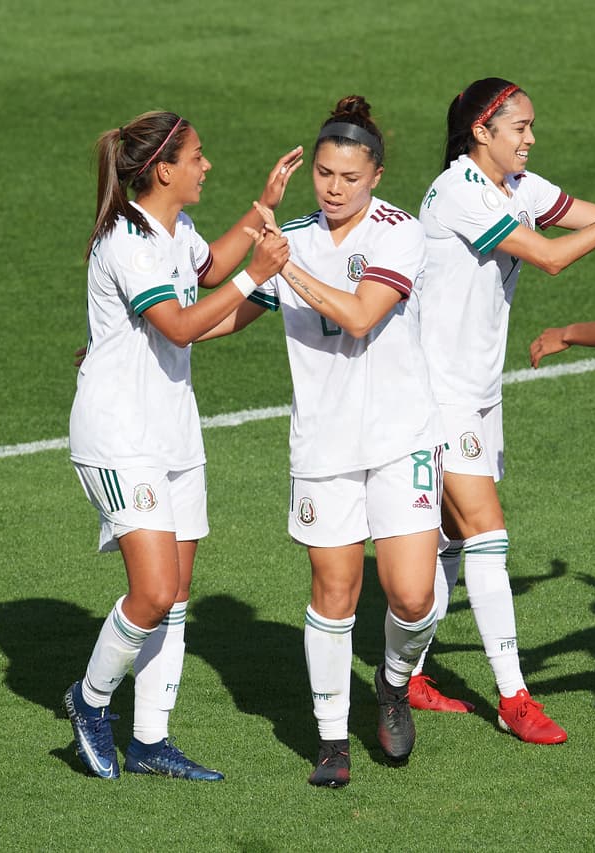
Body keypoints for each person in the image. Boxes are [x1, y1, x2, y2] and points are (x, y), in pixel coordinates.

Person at [410, 77, 595, 743]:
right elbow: (550, 256)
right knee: (485, 530)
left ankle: (408, 672)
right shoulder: (460, 191)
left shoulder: (521, 187)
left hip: (478, 389)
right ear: (482, 132)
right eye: (520, 127)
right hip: (434, 390)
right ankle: (514, 696)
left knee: (451, 538)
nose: (531, 137)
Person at [201, 96, 445, 788]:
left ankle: (393, 682)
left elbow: (363, 315)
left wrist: (284, 269)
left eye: (348, 177)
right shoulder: (296, 237)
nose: (333, 188)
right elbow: (223, 315)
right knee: (334, 589)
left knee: (412, 595)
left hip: (402, 438)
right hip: (324, 446)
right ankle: (333, 738)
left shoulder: (401, 233)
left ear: (376, 176)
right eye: (324, 174)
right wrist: (156, 332)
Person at [65, 110, 295, 780]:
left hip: (173, 430)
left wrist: (264, 212)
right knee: (154, 588)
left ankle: (149, 740)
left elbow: (209, 266)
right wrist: (256, 275)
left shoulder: (175, 228)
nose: (206, 165)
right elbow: (182, 325)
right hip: (118, 434)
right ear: (163, 169)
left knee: (179, 589)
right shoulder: (127, 242)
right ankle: (89, 698)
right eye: (197, 156)